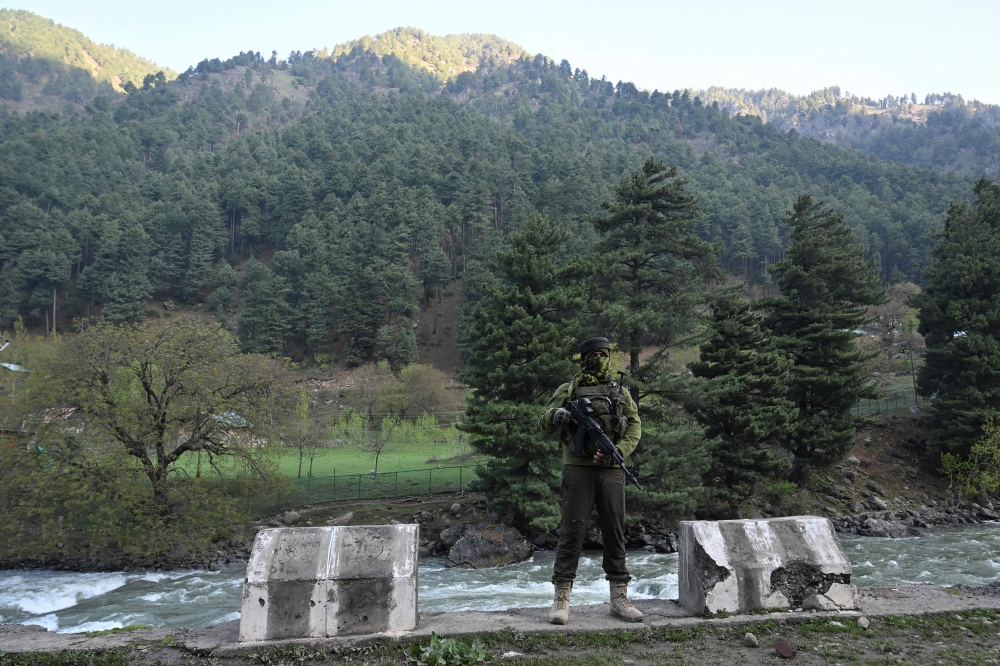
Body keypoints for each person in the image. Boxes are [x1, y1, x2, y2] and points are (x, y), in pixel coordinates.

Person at [538, 336, 643, 625]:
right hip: (578, 468)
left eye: (603, 353)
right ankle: (561, 599)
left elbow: (634, 426)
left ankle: (619, 598)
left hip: (612, 469)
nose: (598, 357)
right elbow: (543, 421)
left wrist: (618, 452)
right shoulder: (568, 389)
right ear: (583, 357)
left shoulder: (621, 391)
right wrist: (558, 415)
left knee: (615, 530)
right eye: (593, 353)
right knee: (572, 531)